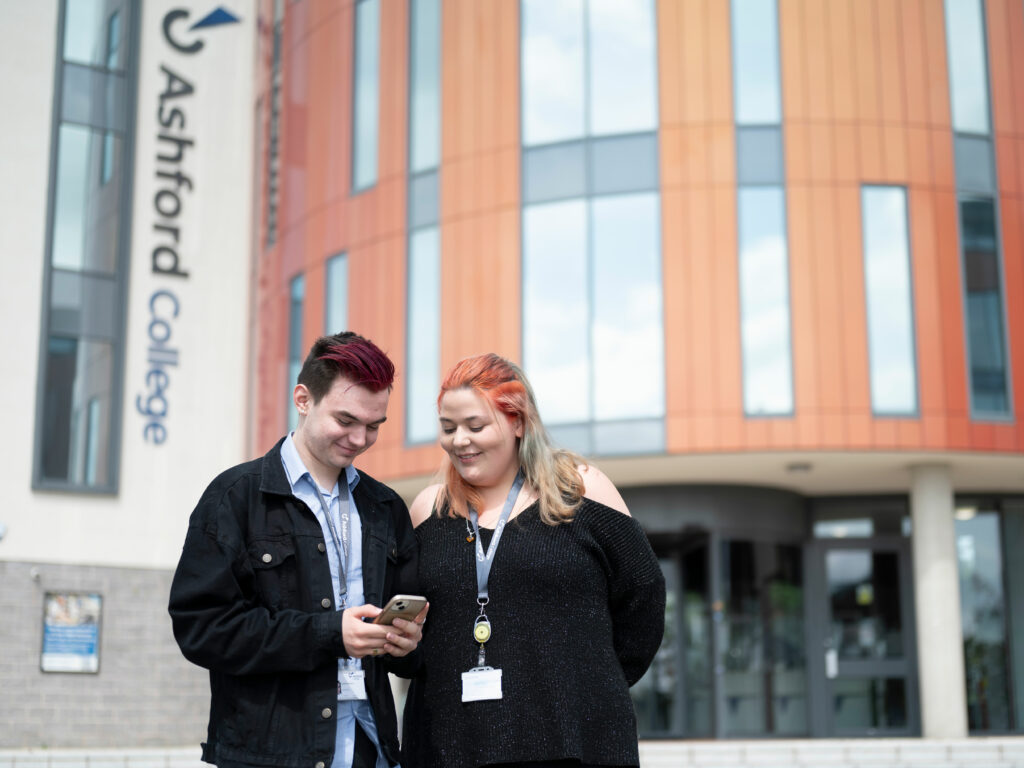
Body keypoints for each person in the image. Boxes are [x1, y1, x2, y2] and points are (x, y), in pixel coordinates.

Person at [169, 332, 426, 768]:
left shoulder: (385, 509)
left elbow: (412, 654)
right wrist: (330, 633)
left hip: (372, 747)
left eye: (374, 426)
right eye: (346, 420)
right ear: (303, 399)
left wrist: (407, 643)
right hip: (271, 754)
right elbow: (202, 629)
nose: (360, 438)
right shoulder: (235, 497)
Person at [401, 353, 665, 768]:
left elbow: (644, 597)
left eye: (476, 426)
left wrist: (591, 682)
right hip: (449, 744)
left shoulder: (581, 490)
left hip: (573, 739)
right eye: (448, 428)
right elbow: (412, 643)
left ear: (519, 422)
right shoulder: (427, 511)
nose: (459, 440)